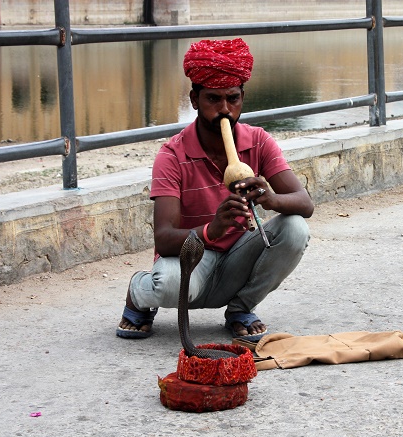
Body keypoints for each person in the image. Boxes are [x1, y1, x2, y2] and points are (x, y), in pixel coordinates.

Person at [116, 38, 314, 343]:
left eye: (232, 99)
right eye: (213, 99)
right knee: (167, 282)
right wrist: (212, 229)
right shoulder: (172, 155)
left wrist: (271, 199)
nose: (225, 110)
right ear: (194, 100)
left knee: (295, 228)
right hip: (192, 256)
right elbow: (165, 239)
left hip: (238, 255)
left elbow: (305, 204)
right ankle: (138, 294)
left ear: (242, 97)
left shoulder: (259, 141)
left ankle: (240, 309)